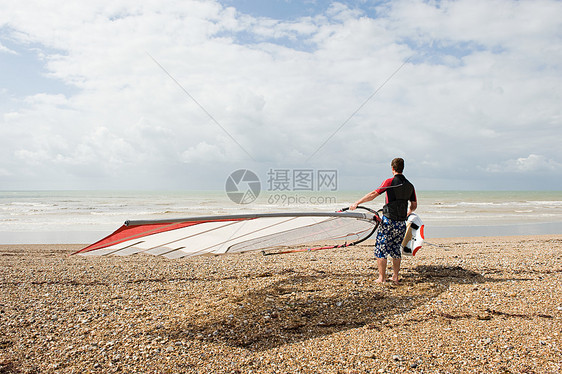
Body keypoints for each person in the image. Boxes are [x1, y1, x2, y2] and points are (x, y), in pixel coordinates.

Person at [350, 158, 417, 284]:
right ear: (403, 168)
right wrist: (408, 213)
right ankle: (395, 277)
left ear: (392, 168)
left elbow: (373, 194)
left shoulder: (390, 181)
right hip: (401, 223)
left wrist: (357, 203)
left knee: (381, 248)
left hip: (388, 221)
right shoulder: (410, 185)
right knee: (396, 249)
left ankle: (382, 278)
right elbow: (413, 205)